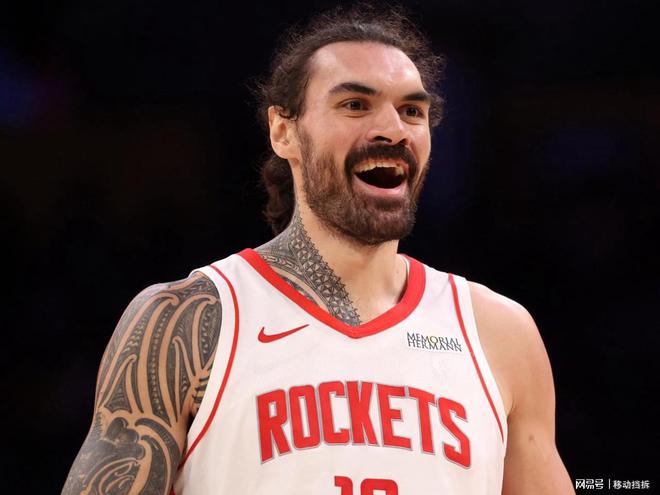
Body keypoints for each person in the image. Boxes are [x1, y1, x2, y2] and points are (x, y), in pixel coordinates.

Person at [63, 5, 575, 494]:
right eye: (355, 105)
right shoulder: (190, 319)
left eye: (412, 111)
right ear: (283, 131)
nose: (393, 130)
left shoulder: (499, 334)